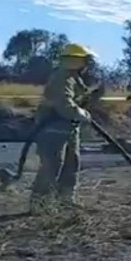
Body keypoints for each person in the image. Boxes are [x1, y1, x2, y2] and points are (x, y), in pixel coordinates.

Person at [30, 43, 98, 209]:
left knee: (71, 164)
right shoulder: (62, 77)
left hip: (68, 128)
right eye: (85, 61)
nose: (87, 65)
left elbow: (79, 99)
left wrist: (92, 97)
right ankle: (40, 204)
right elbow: (65, 105)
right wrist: (83, 115)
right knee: (52, 165)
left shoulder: (74, 78)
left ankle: (65, 201)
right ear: (76, 60)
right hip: (52, 128)